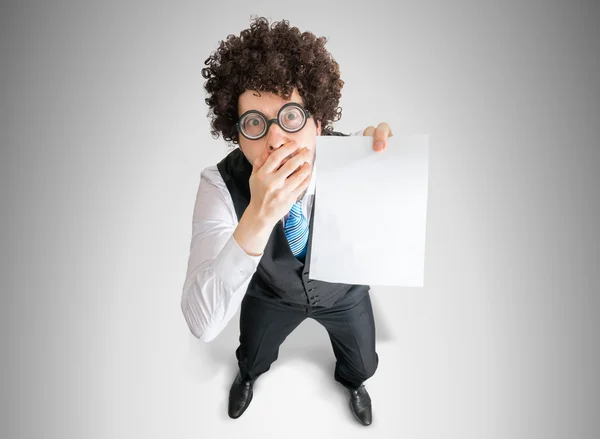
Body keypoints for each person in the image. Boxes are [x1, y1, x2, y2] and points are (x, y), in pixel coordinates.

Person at [180, 16, 393, 426]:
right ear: (238, 136)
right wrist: (258, 215)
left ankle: (354, 383)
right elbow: (202, 324)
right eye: (255, 123)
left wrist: (390, 172)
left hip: (343, 294)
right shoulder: (218, 184)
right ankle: (248, 377)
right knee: (253, 353)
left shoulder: (356, 162)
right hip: (270, 295)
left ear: (317, 123)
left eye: (290, 116)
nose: (275, 139)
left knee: (364, 362)